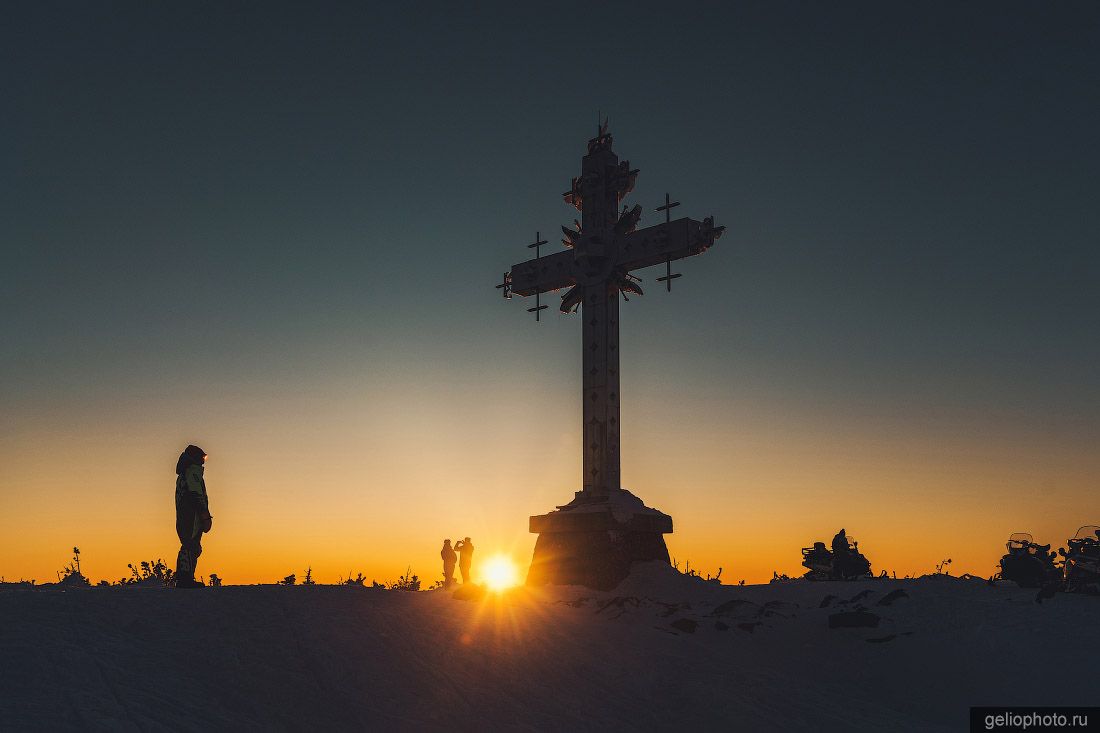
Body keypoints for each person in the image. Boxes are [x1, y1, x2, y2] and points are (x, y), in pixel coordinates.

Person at [174, 444, 213, 588]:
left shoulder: (184, 474)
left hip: (186, 513)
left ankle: (185, 577)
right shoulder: (192, 471)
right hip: (191, 514)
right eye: (202, 457)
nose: (203, 459)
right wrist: (203, 513)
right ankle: (185, 579)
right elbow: (195, 492)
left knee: (190, 544)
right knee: (191, 544)